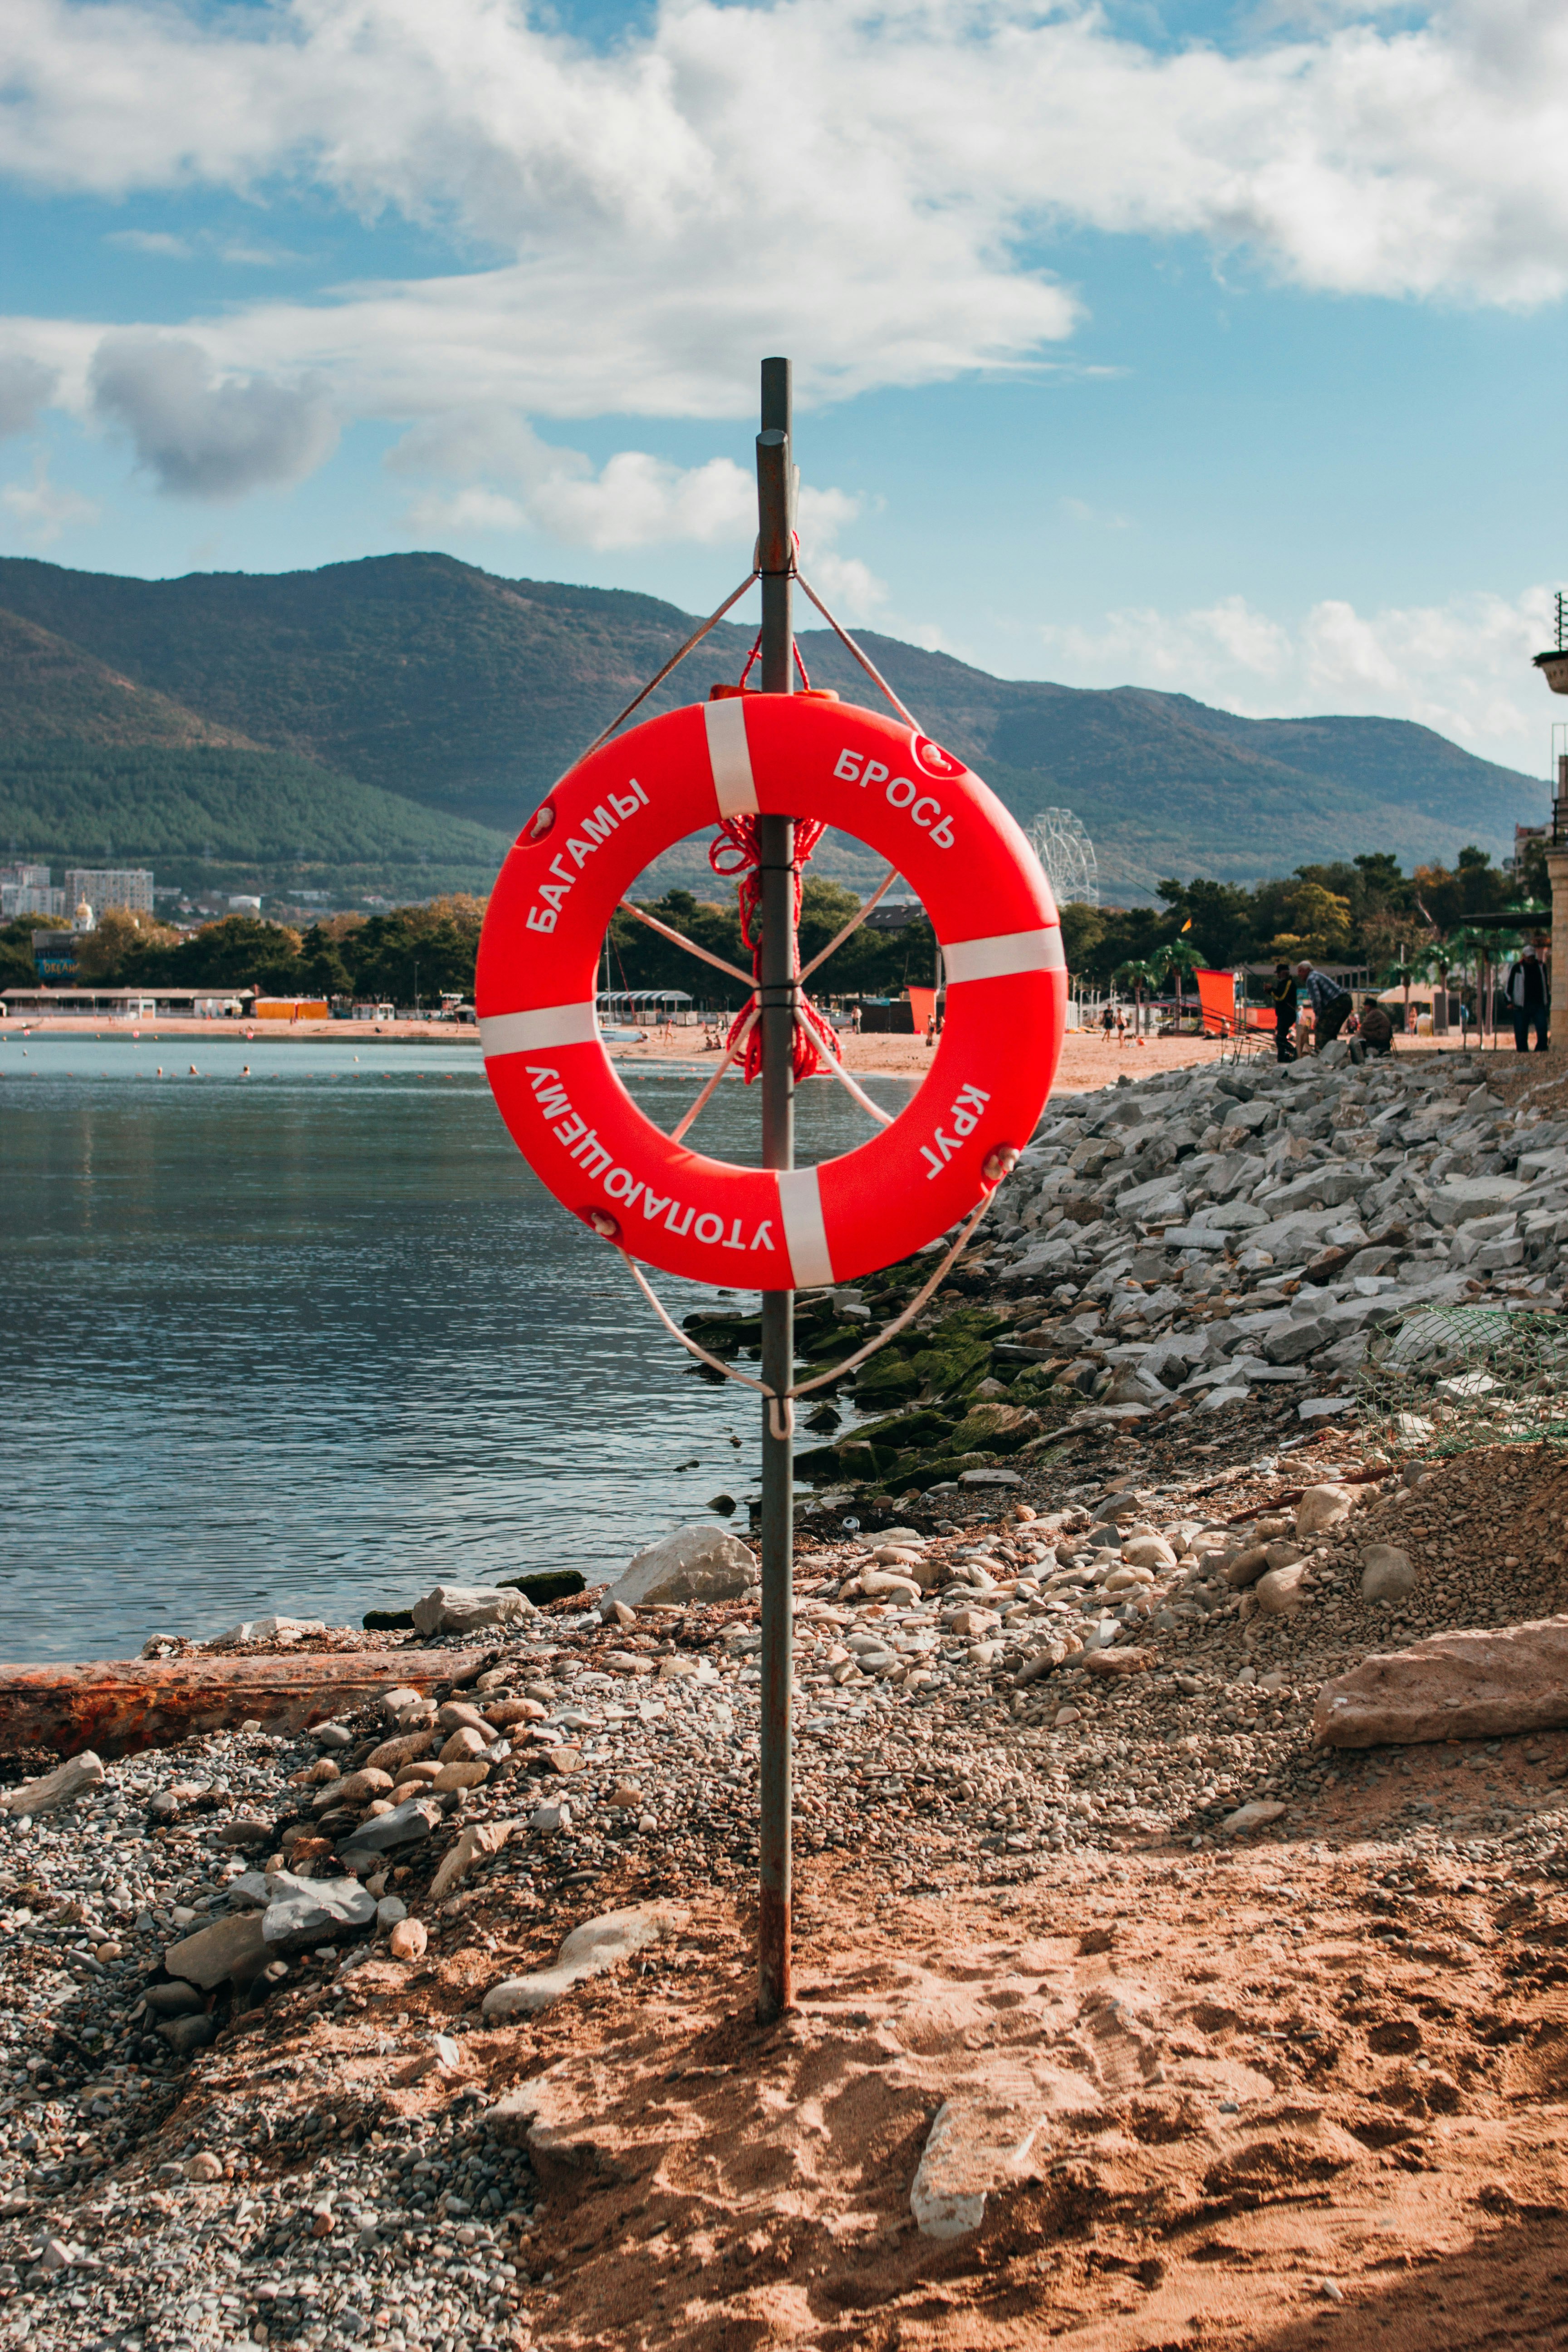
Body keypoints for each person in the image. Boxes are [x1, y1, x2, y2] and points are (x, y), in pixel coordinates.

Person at [1297, 960, 1354, 1049]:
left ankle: (1322, 1052)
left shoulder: (1311, 979)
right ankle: (1333, 1053)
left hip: (1337, 1002)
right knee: (1331, 1032)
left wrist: (1318, 1017)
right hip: (1346, 1001)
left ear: (1307, 970)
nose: (1299, 974)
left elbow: (1316, 999)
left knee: (1322, 1031)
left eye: (1301, 971)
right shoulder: (1317, 975)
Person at [1505, 941, 1549, 1052]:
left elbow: (1545, 985)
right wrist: (1509, 1001)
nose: (1530, 959)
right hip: (1521, 1006)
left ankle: (1541, 1050)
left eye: (1532, 957)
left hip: (1538, 1004)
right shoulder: (1517, 968)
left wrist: (1547, 1000)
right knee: (1521, 1032)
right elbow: (1509, 986)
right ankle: (1523, 1052)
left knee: (1542, 1028)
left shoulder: (1541, 967)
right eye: (1528, 957)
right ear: (1524, 956)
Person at [1348, 995, 1394, 1063]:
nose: (1365, 1008)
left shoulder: (1374, 1013)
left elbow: (1364, 1027)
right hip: (1385, 1037)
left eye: (1366, 1006)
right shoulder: (1378, 1012)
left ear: (1370, 1006)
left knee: (1360, 1033)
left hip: (1382, 1038)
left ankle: (1362, 1054)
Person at [1271, 960, 1298, 1062]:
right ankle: (1284, 1058)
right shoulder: (1282, 984)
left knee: (1280, 1039)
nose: (1277, 975)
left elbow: (1281, 998)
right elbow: (1279, 994)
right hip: (1282, 1015)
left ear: (1282, 973)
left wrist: (1270, 991)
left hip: (1287, 1015)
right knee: (1280, 1039)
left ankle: (1292, 1054)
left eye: (1278, 973)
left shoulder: (1289, 983)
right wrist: (1271, 990)